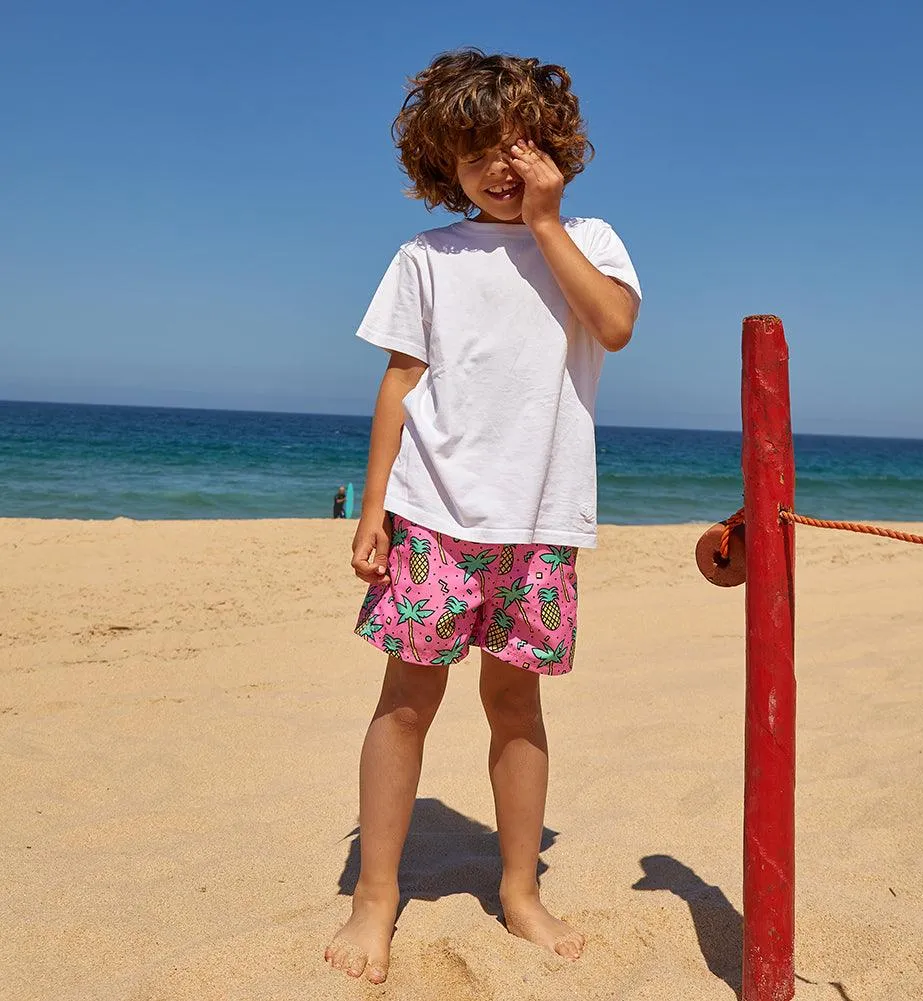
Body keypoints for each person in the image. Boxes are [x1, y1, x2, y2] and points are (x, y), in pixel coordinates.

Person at [325, 48, 641, 984]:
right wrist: (374, 504)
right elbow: (400, 380)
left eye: (522, 147)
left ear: (558, 151)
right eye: (478, 153)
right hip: (431, 514)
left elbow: (614, 327)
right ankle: (374, 895)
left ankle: (518, 888)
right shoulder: (427, 257)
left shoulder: (591, 237)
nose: (502, 167)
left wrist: (545, 222)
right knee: (407, 701)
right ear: (442, 165)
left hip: (539, 522)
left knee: (516, 702)